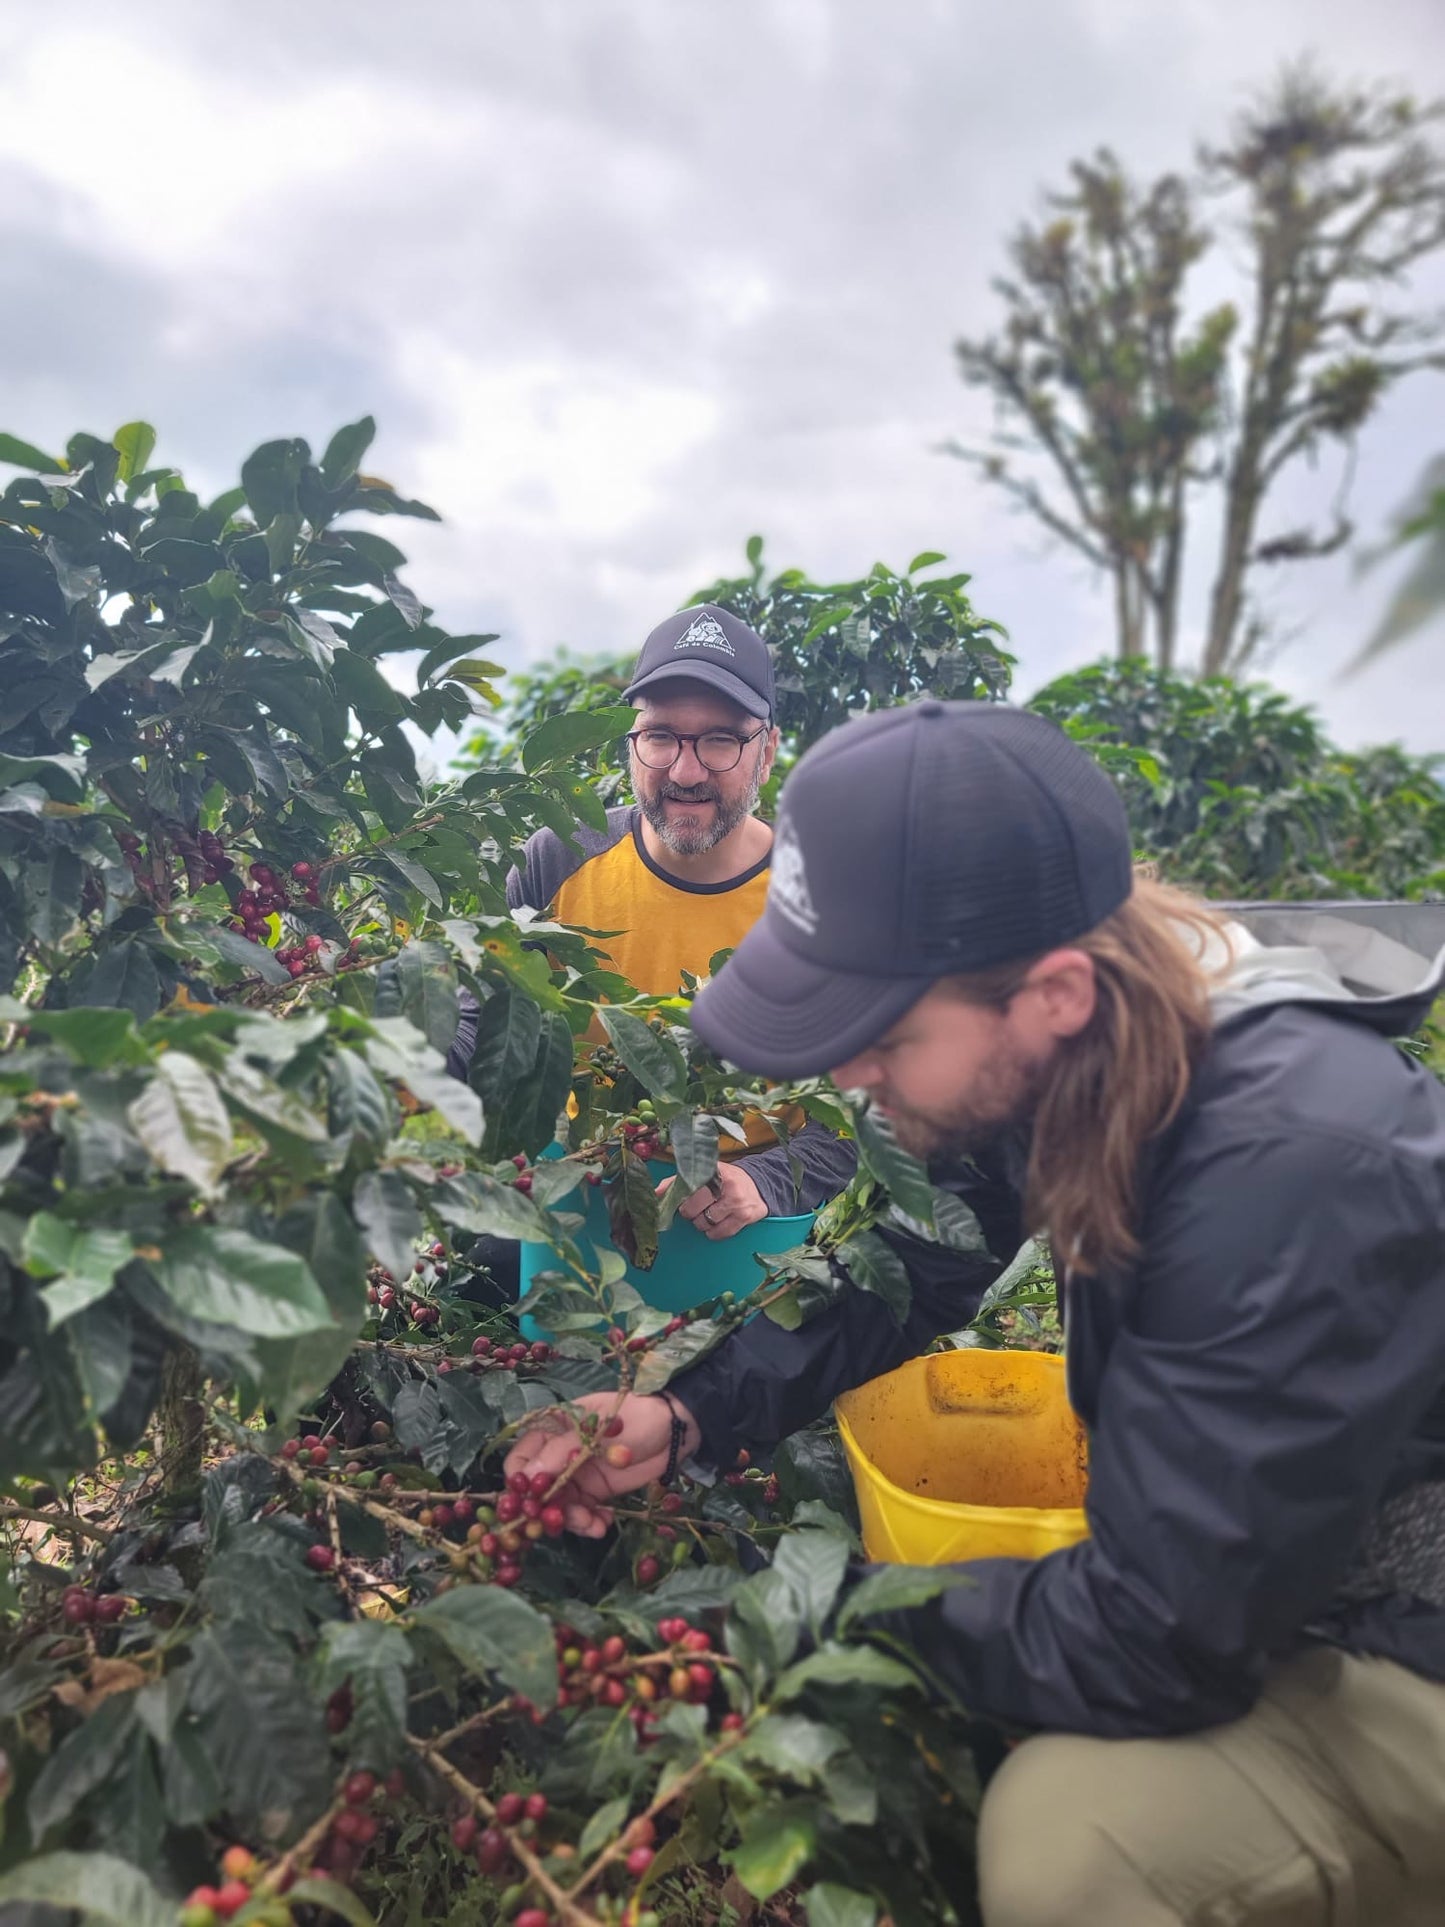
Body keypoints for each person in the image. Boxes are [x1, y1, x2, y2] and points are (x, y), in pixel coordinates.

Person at [506, 699, 1445, 1926]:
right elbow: (914, 1260)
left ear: (1049, 993)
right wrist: (681, 1415)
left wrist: (787, 1614)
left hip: (1404, 1615)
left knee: (1074, 1846)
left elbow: (1154, 1639)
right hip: (1299, 1556)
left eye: (882, 1036)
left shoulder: (1282, 1166)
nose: (848, 1076)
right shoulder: (1107, 1027)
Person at [449, 605, 855, 1288]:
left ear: (767, 748)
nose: (686, 770)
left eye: (720, 740)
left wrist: (768, 1178)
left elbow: (866, 1102)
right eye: (660, 736)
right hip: (585, 1187)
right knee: (459, 1286)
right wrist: (407, 1066)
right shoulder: (559, 857)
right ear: (630, 741)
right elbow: (482, 1014)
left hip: (742, 1223)